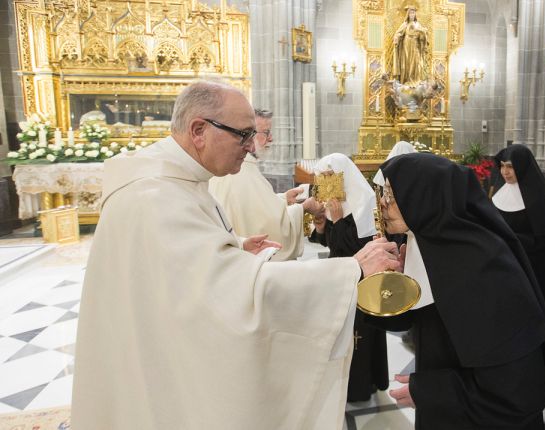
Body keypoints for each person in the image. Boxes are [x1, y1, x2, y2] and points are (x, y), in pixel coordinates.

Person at [71, 80, 402, 430]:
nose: (251, 148)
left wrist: (236, 245)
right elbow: (229, 291)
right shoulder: (155, 196)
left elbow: (186, 265)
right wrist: (351, 270)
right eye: (243, 135)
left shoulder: (174, 180)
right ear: (199, 130)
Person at [370, 153, 545, 429]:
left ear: (425, 197)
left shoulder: (485, 267)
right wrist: (391, 281)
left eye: (392, 196)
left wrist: (430, 392)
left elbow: (515, 390)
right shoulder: (427, 244)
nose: (383, 205)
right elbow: (412, 321)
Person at [309, 153, 389, 402]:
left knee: (360, 334)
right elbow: (331, 243)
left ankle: (360, 385)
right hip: (338, 276)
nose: (327, 182)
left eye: (330, 176)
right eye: (323, 177)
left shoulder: (366, 204)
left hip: (361, 278)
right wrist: (323, 226)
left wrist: (339, 220)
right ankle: (339, 382)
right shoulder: (337, 202)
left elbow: (360, 248)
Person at [209, 108, 322, 261]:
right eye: (266, 132)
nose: (271, 139)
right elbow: (270, 226)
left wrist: (284, 199)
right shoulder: (242, 171)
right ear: (249, 134)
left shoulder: (237, 167)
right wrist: (303, 208)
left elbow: (253, 208)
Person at [492, 145, 545, 310]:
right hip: (503, 261)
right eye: (502, 165)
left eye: (510, 166)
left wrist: (514, 240)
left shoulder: (537, 198)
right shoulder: (498, 193)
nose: (505, 171)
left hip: (531, 264)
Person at [393, 5, 428, 85]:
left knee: (417, 62)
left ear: (415, 14)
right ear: (408, 14)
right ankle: (407, 80)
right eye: (410, 13)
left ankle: (416, 80)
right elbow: (398, 33)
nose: (412, 14)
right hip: (407, 45)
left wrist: (423, 33)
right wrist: (396, 38)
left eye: (413, 13)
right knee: (407, 62)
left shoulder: (418, 25)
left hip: (416, 45)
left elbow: (423, 37)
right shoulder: (405, 24)